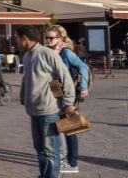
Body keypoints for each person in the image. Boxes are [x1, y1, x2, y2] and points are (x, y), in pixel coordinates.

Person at [17, 25, 76, 178]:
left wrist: (67, 102)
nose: (16, 41)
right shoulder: (27, 56)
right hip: (33, 110)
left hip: (48, 111)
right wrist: (24, 97)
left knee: (51, 151)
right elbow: (30, 79)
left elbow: (64, 77)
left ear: (24, 38)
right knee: (39, 148)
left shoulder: (48, 54)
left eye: (17, 38)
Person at [45, 26, 90, 174]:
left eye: (51, 38)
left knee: (70, 127)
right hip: (56, 91)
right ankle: (65, 159)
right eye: (47, 37)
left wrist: (83, 87)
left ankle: (73, 163)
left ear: (60, 38)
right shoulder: (53, 52)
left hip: (67, 94)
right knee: (62, 126)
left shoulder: (66, 52)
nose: (47, 40)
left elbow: (83, 67)